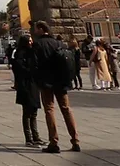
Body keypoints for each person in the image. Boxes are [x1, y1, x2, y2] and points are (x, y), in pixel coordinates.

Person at [31, 21, 79, 154]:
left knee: (49, 110)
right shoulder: (59, 43)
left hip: (46, 82)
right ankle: (75, 141)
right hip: (61, 81)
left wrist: (37, 80)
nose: (34, 31)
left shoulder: (38, 44)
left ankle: (54, 142)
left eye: (35, 29)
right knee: (66, 109)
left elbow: (34, 65)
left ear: (41, 29)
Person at [12, 34, 43, 147]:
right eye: (29, 41)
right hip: (25, 86)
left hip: (33, 85)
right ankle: (28, 139)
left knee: (34, 113)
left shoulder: (32, 53)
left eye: (31, 40)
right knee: (27, 113)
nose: (31, 43)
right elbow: (20, 70)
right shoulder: (19, 54)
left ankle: (36, 137)